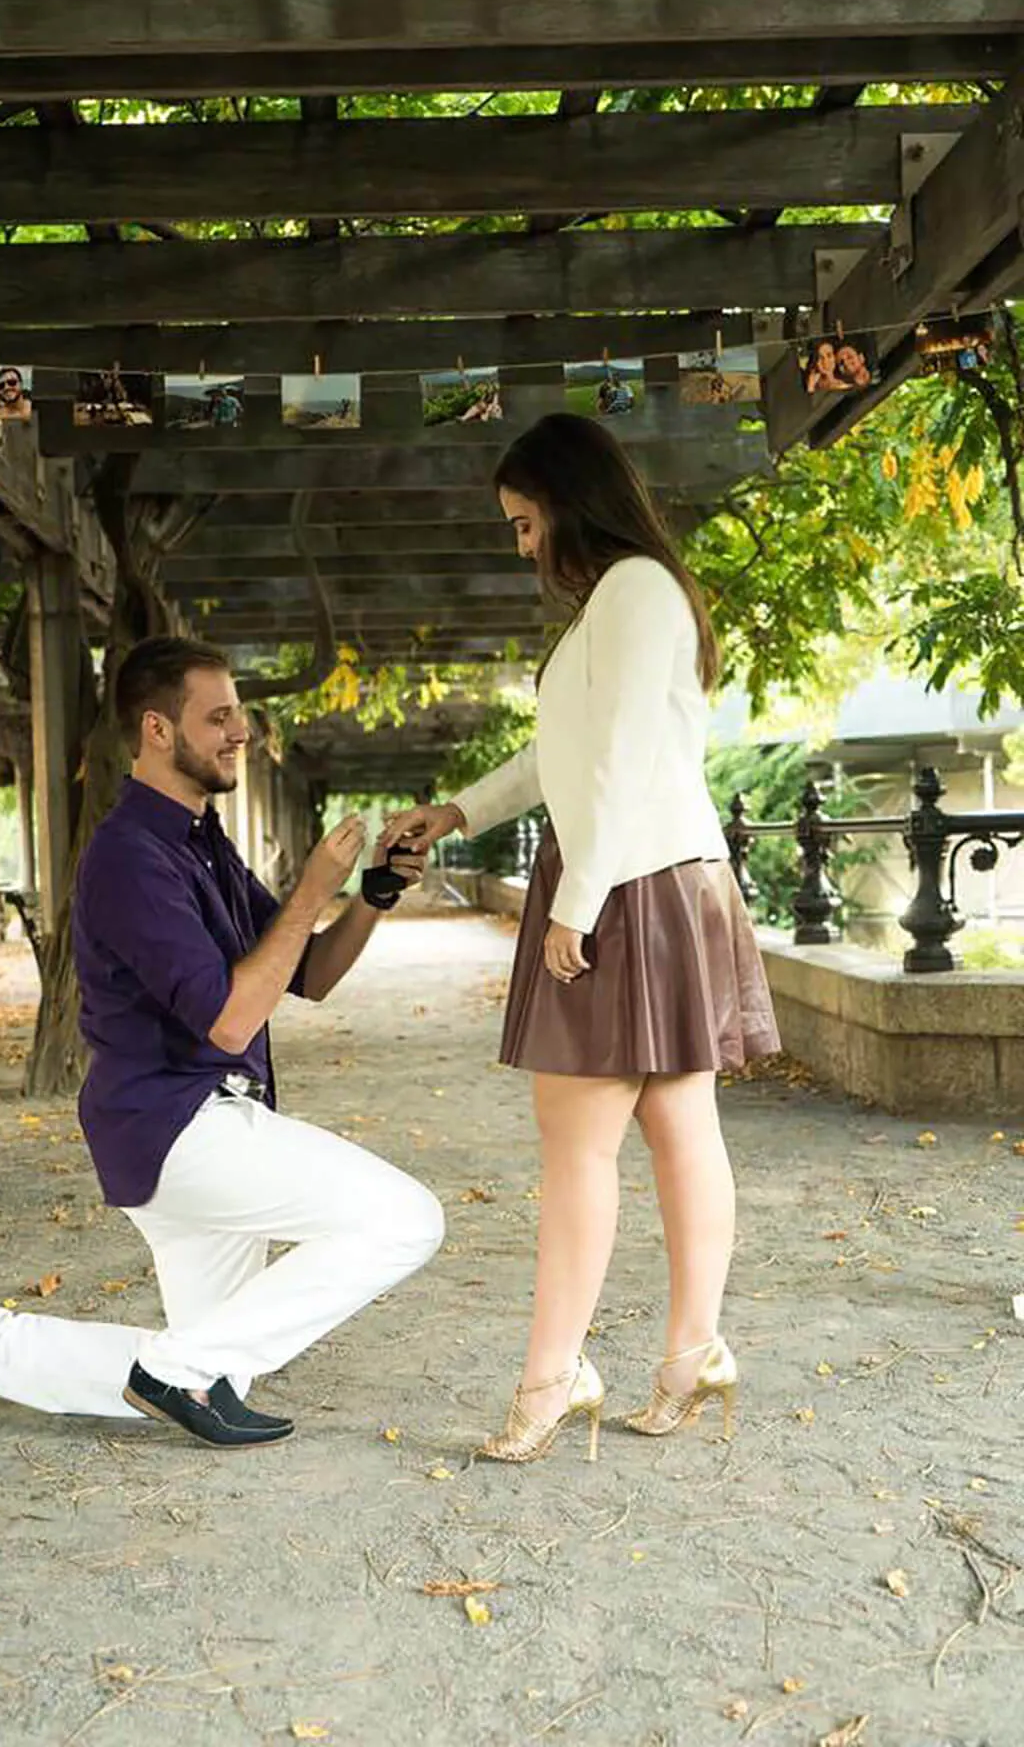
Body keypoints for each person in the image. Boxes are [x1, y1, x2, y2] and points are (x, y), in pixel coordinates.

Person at [0, 637, 443, 1450]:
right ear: (156, 729)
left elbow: (309, 972)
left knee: (216, 1373)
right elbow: (228, 1020)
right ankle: (174, 1369)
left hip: (191, 1124)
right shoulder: (127, 857)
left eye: (240, 716)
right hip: (179, 1128)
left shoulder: (200, 839)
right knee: (406, 1220)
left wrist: (371, 895)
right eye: (217, 717)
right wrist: (311, 889)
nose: (240, 733)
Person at [381, 414, 780, 1463]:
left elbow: (624, 758)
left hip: (631, 881)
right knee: (668, 1129)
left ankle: (557, 1377)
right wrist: (458, 812)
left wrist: (577, 900)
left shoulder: (636, 591)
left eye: (523, 523)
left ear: (567, 500)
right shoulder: (626, 598)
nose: (521, 547)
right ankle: (688, 1355)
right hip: (639, 874)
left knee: (588, 1144)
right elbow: (564, 755)